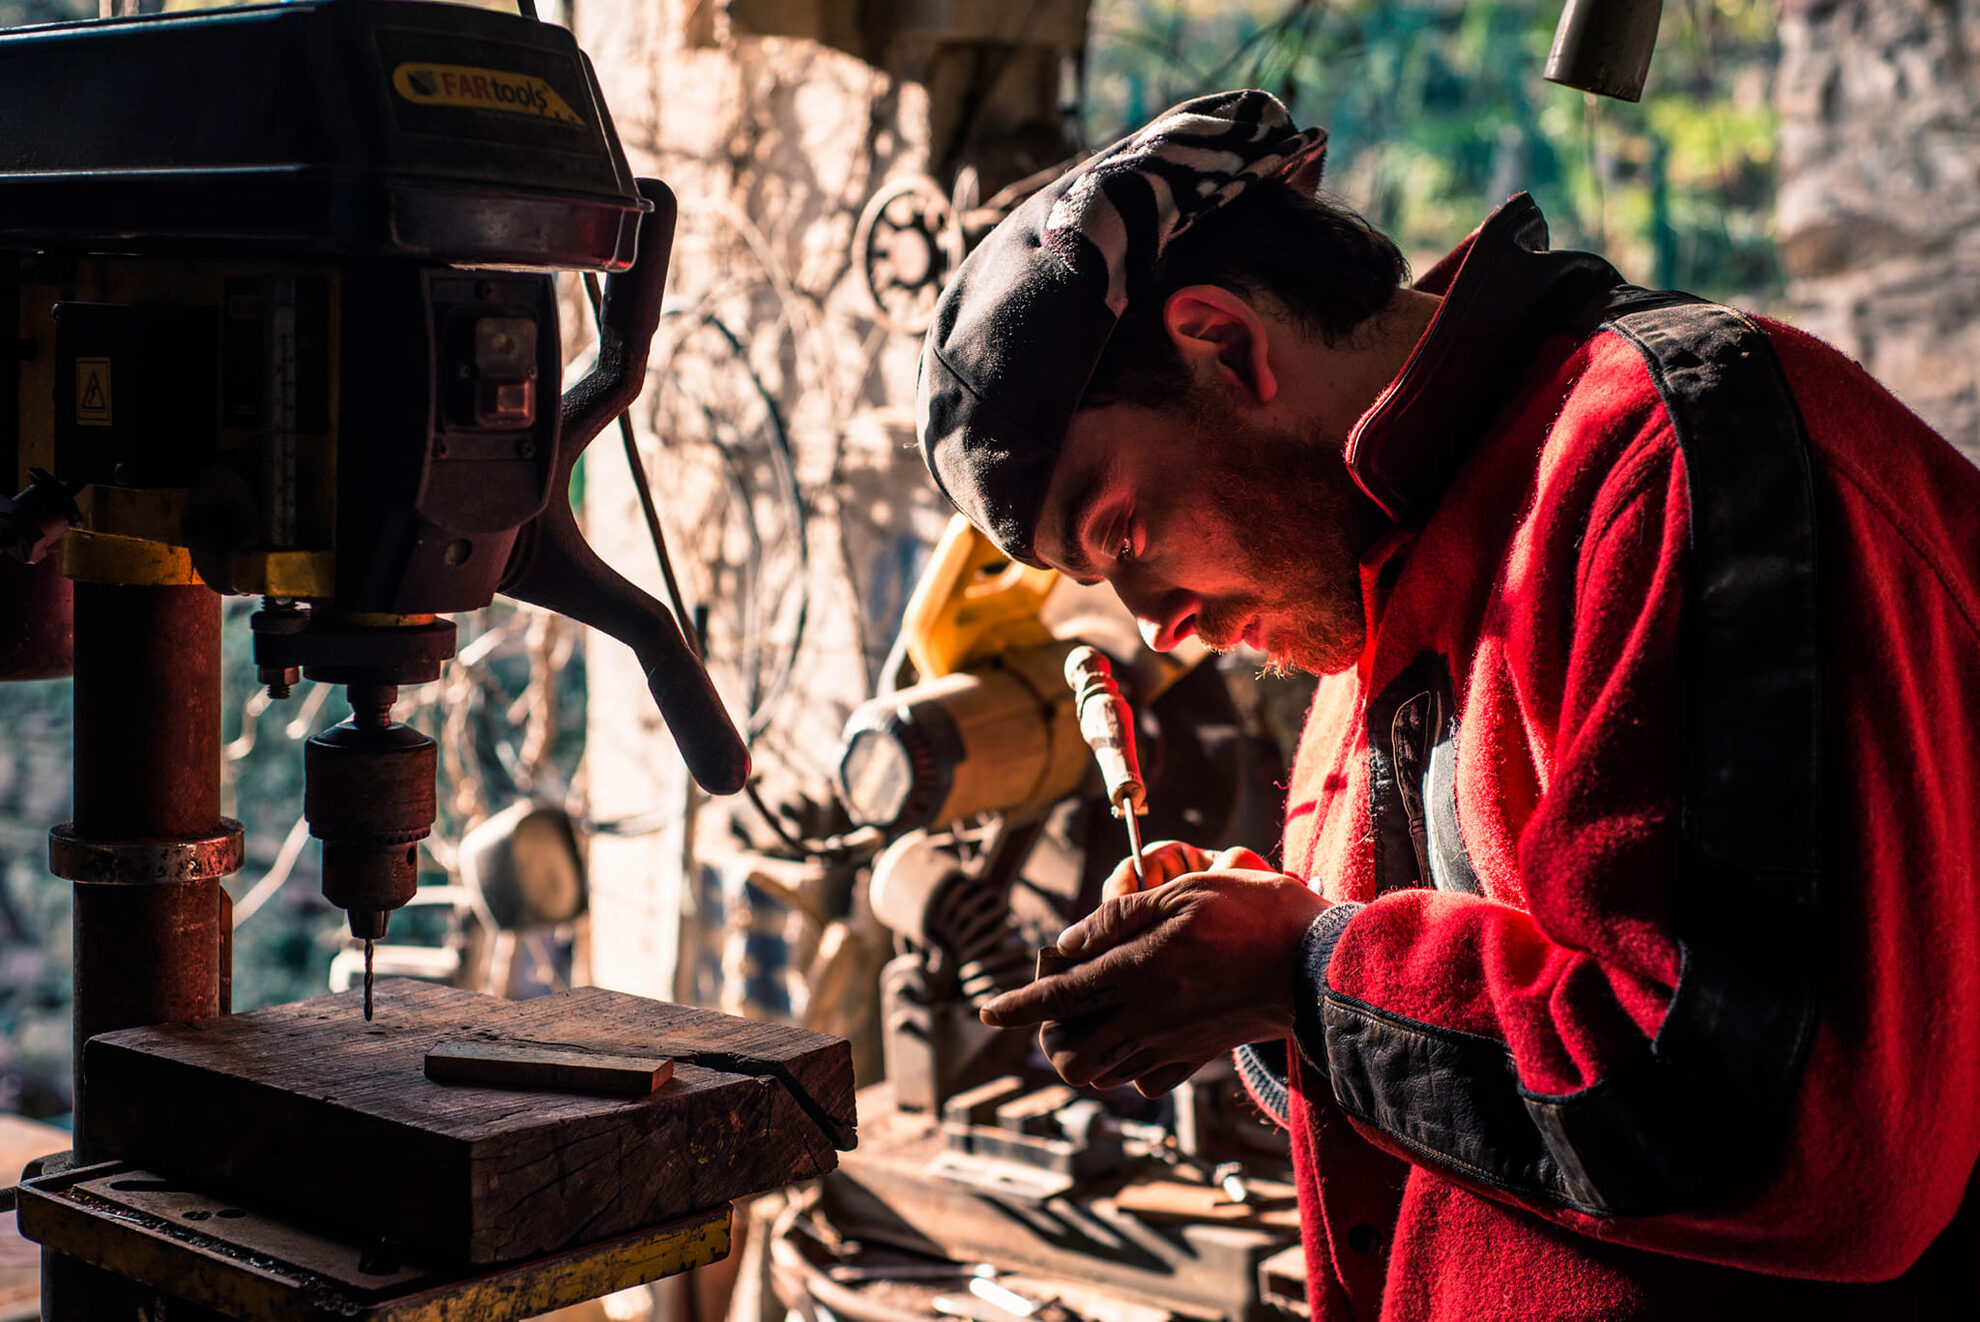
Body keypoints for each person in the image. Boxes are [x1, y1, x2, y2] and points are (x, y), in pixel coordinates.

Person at [912, 90, 1980, 1320]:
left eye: (1123, 530)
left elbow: (1760, 1116)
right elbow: (1459, 1075)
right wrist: (1247, 973)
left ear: (1223, 344)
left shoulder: (1671, 456)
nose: (1161, 626)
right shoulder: (1367, 600)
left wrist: (1300, 972)